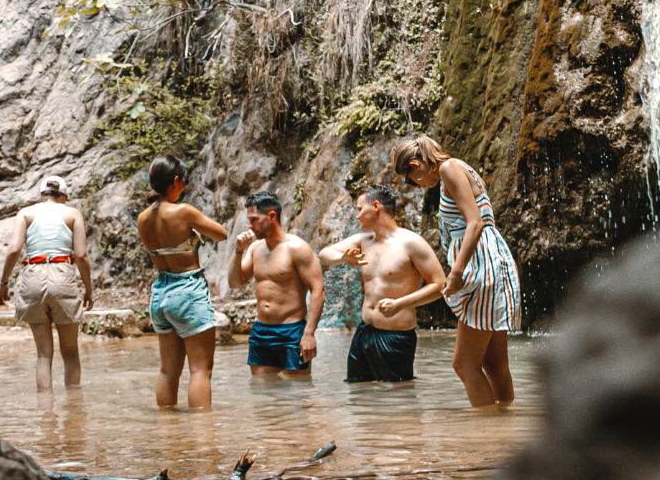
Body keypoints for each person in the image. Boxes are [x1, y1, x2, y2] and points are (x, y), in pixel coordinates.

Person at [394, 136, 521, 408]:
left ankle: (484, 434)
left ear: (416, 165)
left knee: (463, 364)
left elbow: (474, 223)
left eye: (410, 179)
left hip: (480, 262)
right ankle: (507, 428)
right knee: (494, 363)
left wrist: (457, 272)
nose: (414, 185)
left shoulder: (448, 169)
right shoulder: (459, 167)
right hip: (490, 259)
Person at [319, 184, 446, 382]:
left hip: (395, 336)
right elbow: (324, 254)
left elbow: (440, 285)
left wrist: (400, 304)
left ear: (376, 206)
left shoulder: (411, 243)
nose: (357, 216)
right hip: (363, 332)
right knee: (358, 392)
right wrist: (344, 258)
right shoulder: (364, 240)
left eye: (360, 209)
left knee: (397, 400)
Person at [136, 156, 228, 409]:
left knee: (168, 371)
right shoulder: (183, 211)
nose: (185, 187)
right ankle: (201, 438)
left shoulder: (143, 218)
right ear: (176, 181)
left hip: (160, 294)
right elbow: (221, 233)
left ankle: (170, 437)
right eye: (184, 182)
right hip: (188, 291)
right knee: (200, 371)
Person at [0, 175, 94, 392]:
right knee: (70, 353)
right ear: (64, 197)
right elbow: (81, 255)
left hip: (33, 276)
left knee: (42, 355)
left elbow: (14, 250)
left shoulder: (26, 213)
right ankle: (74, 412)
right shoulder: (72, 213)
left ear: (40, 195)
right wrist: (88, 289)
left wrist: (4, 283)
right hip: (63, 276)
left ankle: (45, 415)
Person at [228, 191, 326, 375]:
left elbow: (318, 290)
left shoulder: (297, 248)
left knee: (298, 393)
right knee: (262, 393)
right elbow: (234, 283)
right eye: (249, 220)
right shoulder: (256, 248)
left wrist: (309, 333)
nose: (250, 226)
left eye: (254, 219)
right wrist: (238, 251)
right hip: (261, 331)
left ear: (272, 216)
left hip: (292, 331)